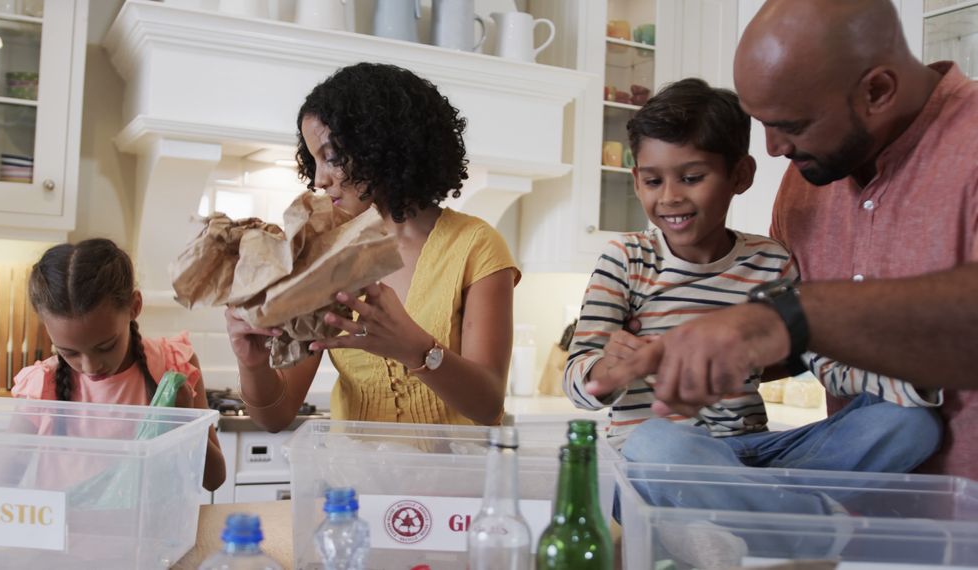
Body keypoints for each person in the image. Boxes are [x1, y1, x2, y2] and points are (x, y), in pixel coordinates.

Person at [585, 0, 978, 481]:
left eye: (792, 125)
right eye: (764, 123)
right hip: (850, 521)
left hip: (959, 528)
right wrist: (689, 358)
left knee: (910, 421)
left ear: (877, 90)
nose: (774, 150)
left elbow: (798, 330)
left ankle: (752, 526)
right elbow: (790, 346)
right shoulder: (805, 178)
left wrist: (790, 319)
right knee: (654, 441)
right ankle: (782, 524)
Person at [567, 77, 939, 510]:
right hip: (656, 463)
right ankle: (799, 526)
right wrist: (607, 370)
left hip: (752, 453)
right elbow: (577, 382)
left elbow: (823, 358)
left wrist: (910, 381)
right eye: (652, 182)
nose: (669, 197)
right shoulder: (625, 258)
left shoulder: (771, 261)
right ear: (636, 181)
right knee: (657, 440)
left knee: (911, 424)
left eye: (691, 177)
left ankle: (736, 519)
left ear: (740, 175)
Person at [226, 63, 520, 431]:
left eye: (331, 157)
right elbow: (276, 415)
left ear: (381, 144)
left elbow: (488, 406)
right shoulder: (324, 253)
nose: (319, 179)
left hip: (450, 482)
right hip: (354, 483)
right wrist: (252, 364)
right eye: (313, 159)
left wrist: (416, 349)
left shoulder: (476, 245)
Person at [11, 238, 226, 492]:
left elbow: (214, 479)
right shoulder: (41, 386)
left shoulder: (174, 365)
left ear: (134, 307)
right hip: (67, 531)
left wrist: (187, 422)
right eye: (68, 352)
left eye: (105, 346)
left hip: (153, 531)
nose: (90, 367)